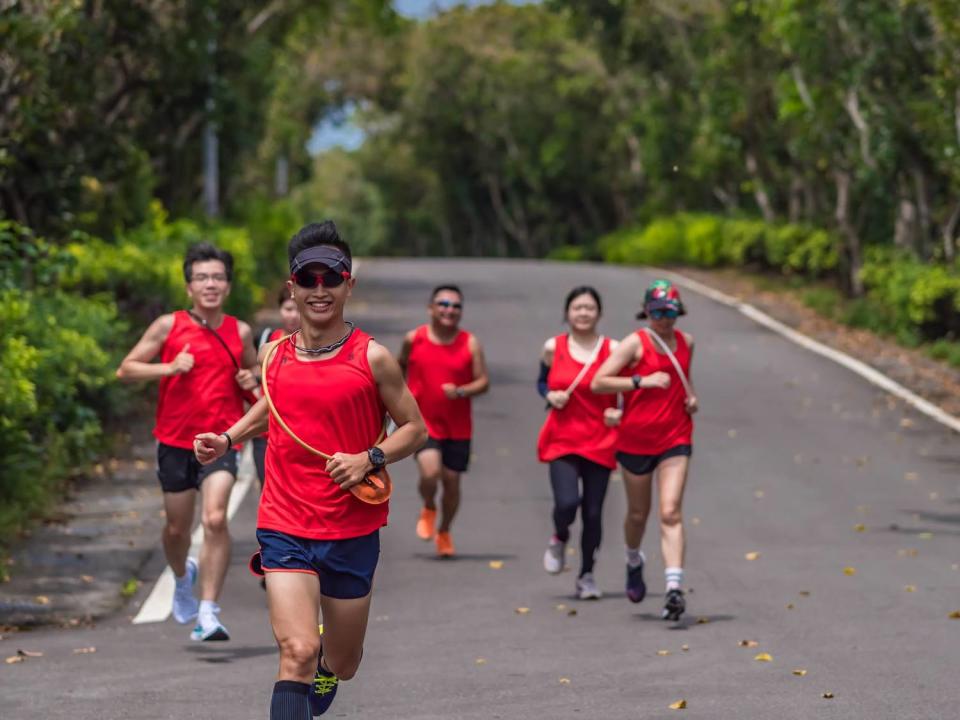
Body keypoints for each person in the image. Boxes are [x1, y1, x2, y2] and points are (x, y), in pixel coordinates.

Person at [194, 221, 427, 718]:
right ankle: (309, 660)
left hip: (351, 527)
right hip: (285, 522)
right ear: (292, 286)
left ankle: (329, 661)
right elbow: (272, 407)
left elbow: (415, 428)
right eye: (308, 279)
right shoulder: (274, 351)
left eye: (331, 278)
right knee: (295, 651)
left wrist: (371, 456)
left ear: (348, 285)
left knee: (342, 661)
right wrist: (229, 437)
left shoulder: (373, 358)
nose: (319, 289)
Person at [116, 242, 259, 641]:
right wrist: (169, 366)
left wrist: (253, 378)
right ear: (189, 287)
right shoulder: (168, 325)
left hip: (220, 440)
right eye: (202, 278)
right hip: (176, 441)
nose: (210, 284)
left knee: (215, 519)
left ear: (227, 286)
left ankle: (208, 612)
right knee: (177, 531)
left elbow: (253, 370)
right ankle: (183, 577)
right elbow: (126, 369)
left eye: (217, 277)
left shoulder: (240, 330)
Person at [591, 280, 698, 621]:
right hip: (635, 440)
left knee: (670, 512)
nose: (663, 319)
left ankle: (673, 589)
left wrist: (691, 398)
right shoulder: (633, 344)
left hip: (675, 437)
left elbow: (683, 379)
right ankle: (634, 558)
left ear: (678, 313)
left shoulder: (686, 343)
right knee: (639, 514)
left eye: (669, 312)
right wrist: (641, 381)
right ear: (646, 311)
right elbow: (598, 381)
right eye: (656, 312)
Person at [536, 287, 620, 600]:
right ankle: (559, 536)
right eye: (577, 307)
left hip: (601, 438)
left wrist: (619, 410)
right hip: (562, 437)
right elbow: (541, 381)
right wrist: (548, 394)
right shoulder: (552, 347)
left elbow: (630, 389)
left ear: (599, 313)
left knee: (594, 513)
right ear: (567, 313)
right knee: (567, 502)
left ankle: (586, 575)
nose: (583, 313)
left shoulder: (614, 348)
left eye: (589, 307)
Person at [399, 285, 489, 557]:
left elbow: (483, 381)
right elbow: (397, 368)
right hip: (423, 423)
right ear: (431, 308)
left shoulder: (469, 343)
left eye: (456, 306)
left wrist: (462, 391)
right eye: (443, 304)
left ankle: (445, 530)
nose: (449, 310)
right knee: (430, 473)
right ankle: (428, 505)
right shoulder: (414, 339)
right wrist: (398, 400)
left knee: (451, 482)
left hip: (458, 427)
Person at [252, 288, 302, 488]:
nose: (293, 315)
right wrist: (250, 381)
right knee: (269, 492)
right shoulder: (266, 338)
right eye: (288, 309)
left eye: (298, 309)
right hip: (265, 433)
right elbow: (254, 372)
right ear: (280, 309)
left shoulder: (319, 346)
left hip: (297, 434)